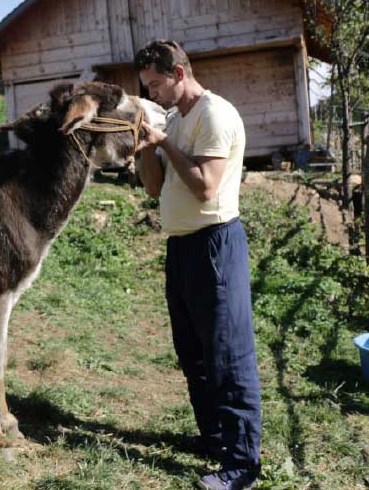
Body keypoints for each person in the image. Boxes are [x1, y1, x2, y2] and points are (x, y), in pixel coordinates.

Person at [133, 40, 262, 490]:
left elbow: (206, 187)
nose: (152, 94)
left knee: (228, 355)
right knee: (194, 353)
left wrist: (166, 139)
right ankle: (216, 441)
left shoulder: (214, 114)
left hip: (216, 243)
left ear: (179, 73)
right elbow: (153, 188)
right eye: (146, 86)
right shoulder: (172, 117)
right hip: (182, 247)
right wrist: (146, 144)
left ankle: (242, 465)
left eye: (156, 84)